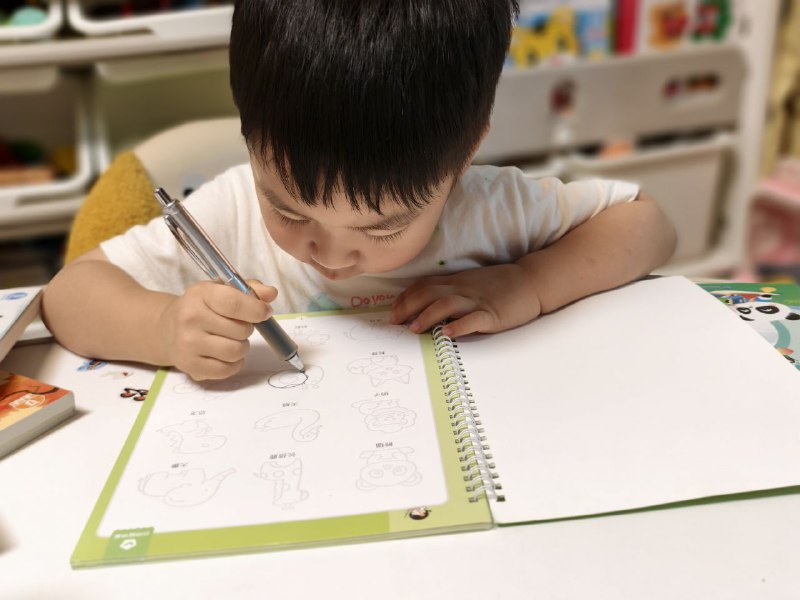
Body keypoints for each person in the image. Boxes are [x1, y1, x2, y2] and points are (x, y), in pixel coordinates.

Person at [43, 0, 676, 381]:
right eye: (288, 209)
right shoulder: (229, 212)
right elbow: (67, 297)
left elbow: (649, 224)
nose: (331, 254)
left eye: (382, 228)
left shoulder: (491, 209)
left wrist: (530, 283)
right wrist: (161, 328)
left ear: (464, 156)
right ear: (249, 133)